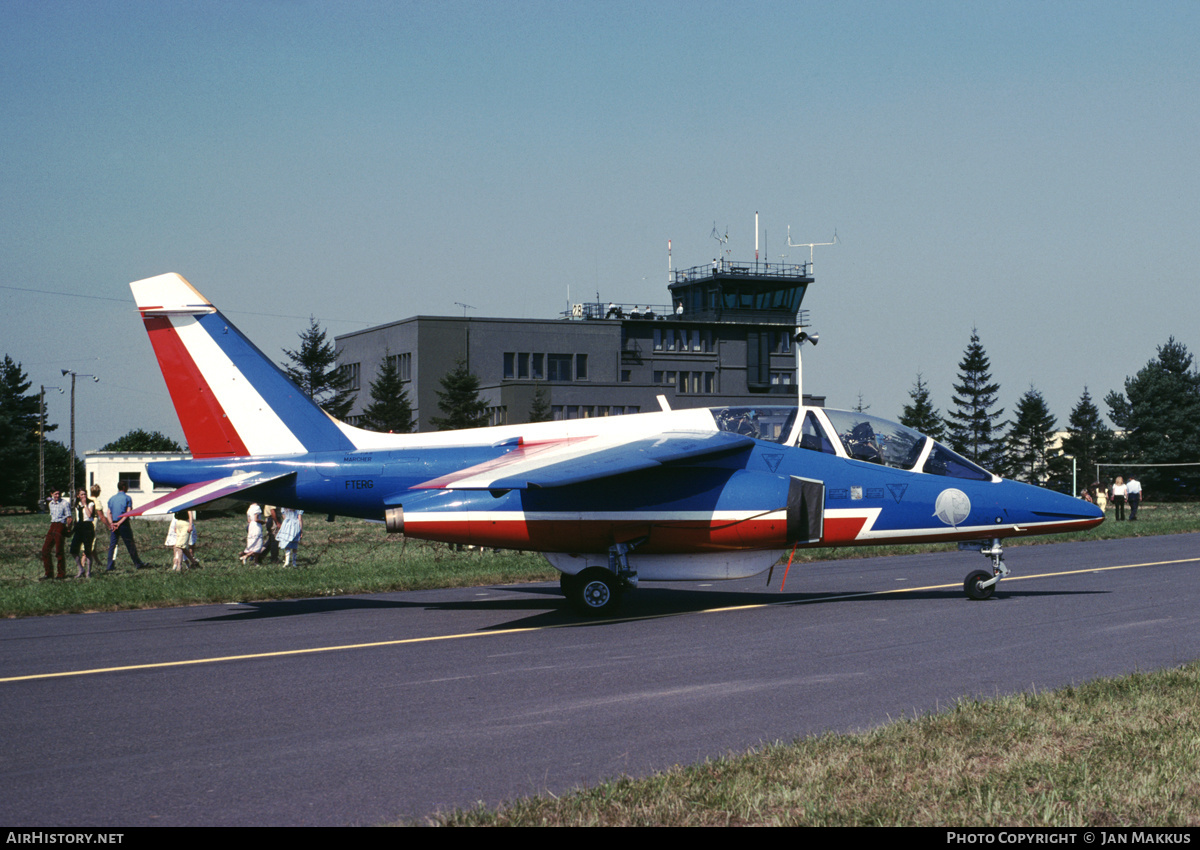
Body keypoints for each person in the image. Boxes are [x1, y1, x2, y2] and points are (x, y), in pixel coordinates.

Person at [106, 480, 148, 571]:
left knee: (113, 545)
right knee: (130, 544)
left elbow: (108, 512)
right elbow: (128, 513)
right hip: (123, 524)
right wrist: (119, 523)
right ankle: (137, 563)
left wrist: (112, 523)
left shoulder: (111, 498)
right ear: (124, 487)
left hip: (113, 523)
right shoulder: (127, 498)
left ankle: (110, 565)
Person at [41, 489, 72, 580]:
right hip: (53, 525)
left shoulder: (64, 503)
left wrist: (68, 529)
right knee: (45, 550)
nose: (57, 495)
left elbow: (69, 518)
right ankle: (49, 573)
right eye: (55, 494)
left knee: (59, 550)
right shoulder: (50, 504)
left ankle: (61, 573)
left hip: (61, 525)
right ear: (51, 494)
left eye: (59, 493)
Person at [69, 489, 98, 578]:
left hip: (87, 526)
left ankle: (88, 572)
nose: (84, 496)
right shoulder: (77, 504)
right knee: (73, 550)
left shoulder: (91, 503)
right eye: (81, 495)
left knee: (87, 550)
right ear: (78, 496)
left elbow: (89, 515)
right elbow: (76, 517)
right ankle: (81, 569)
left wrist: (85, 505)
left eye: (85, 494)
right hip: (79, 527)